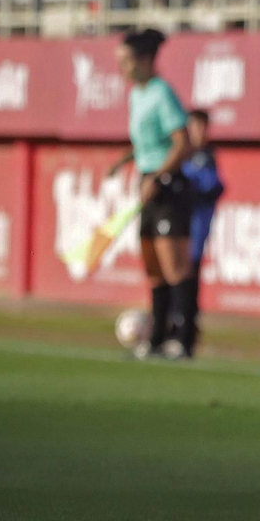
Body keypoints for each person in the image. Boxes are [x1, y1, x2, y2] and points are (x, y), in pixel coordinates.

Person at [108, 30, 199, 360]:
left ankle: (183, 339)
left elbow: (182, 143)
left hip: (168, 186)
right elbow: (147, 143)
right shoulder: (137, 95)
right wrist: (125, 161)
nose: (122, 68)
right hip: (148, 182)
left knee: (175, 267)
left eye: (126, 61)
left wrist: (159, 177)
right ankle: (157, 338)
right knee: (153, 268)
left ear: (145, 60)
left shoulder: (162, 94)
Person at [180, 109, 225, 352]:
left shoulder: (206, 157)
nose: (198, 132)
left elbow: (214, 187)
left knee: (188, 279)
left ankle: (186, 333)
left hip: (195, 230)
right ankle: (174, 328)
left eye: (201, 127)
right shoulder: (181, 153)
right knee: (174, 279)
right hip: (177, 228)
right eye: (194, 126)